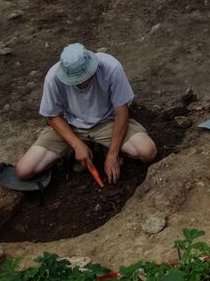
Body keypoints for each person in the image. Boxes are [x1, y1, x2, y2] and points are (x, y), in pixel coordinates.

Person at [14, 43, 157, 183]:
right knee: (24, 171)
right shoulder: (53, 78)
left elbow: (122, 111)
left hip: (108, 122)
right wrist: (77, 145)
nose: (82, 82)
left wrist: (112, 155)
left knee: (147, 152)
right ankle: (71, 154)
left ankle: (106, 148)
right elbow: (53, 117)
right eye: (76, 80)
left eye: (85, 77)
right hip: (72, 127)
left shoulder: (111, 68)